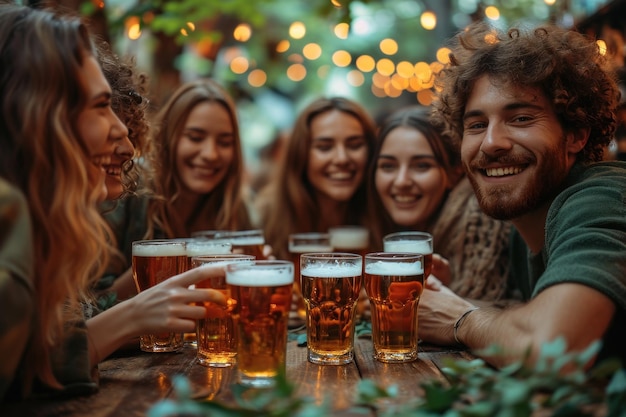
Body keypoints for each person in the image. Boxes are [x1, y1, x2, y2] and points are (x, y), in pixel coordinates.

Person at [0, 4, 225, 401]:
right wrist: (133, 310)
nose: (123, 133)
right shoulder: (11, 218)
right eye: (101, 106)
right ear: (36, 113)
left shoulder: (48, 227)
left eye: (225, 142)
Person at [418, 22, 626, 368]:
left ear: (576, 135)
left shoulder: (603, 197)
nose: (491, 142)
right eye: (476, 125)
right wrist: (447, 297)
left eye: (521, 118)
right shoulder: (526, 226)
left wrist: (460, 319)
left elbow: (553, 352)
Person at [102, 79, 253, 299]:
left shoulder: (234, 208)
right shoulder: (125, 191)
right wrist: (177, 267)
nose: (211, 154)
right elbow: (90, 306)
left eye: (225, 142)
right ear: (168, 138)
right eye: (195, 137)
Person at [369, 105, 511, 300]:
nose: (401, 181)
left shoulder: (483, 226)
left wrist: (448, 289)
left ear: (454, 173)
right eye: (388, 166)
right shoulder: (375, 225)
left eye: (421, 166)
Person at [255, 96, 377, 260]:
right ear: (301, 154)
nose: (342, 159)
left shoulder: (382, 216)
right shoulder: (263, 218)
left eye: (354, 145)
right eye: (325, 147)